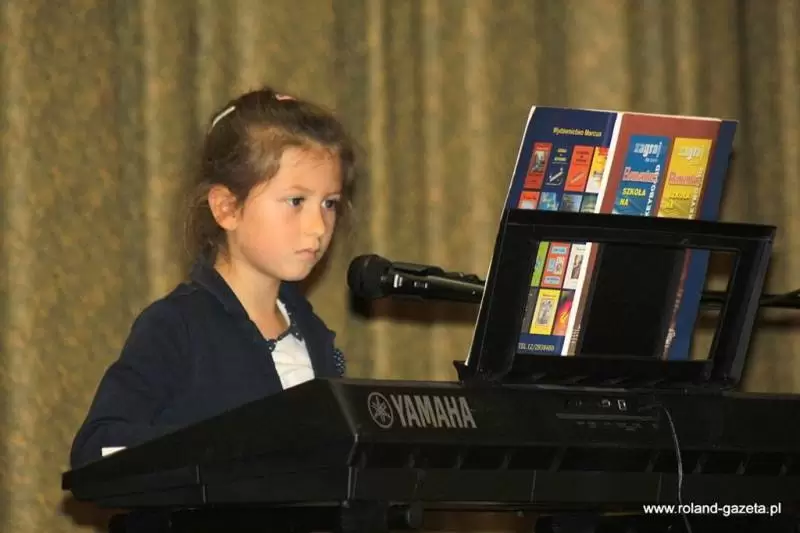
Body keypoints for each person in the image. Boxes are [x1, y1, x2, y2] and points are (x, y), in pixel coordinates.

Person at [69, 86, 356, 469]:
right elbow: (95, 450)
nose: (318, 226)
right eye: (296, 201)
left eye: (329, 203)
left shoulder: (313, 333)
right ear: (226, 208)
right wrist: (223, 445)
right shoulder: (176, 326)